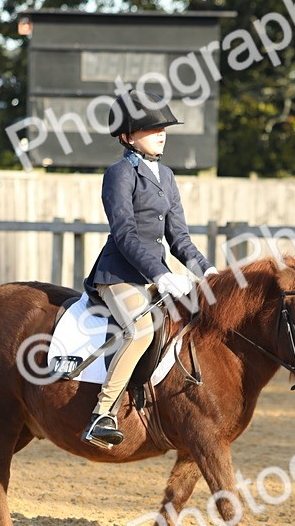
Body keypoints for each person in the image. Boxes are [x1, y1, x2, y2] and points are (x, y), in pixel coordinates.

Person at [80, 90, 217, 448]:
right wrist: (160, 274)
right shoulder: (119, 174)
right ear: (127, 136)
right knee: (140, 329)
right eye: (152, 128)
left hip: (156, 276)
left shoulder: (167, 176)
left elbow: (179, 237)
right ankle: (102, 413)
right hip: (119, 276)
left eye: (164, 128)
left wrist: (207, 271)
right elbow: (124, 234)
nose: (161, 133)